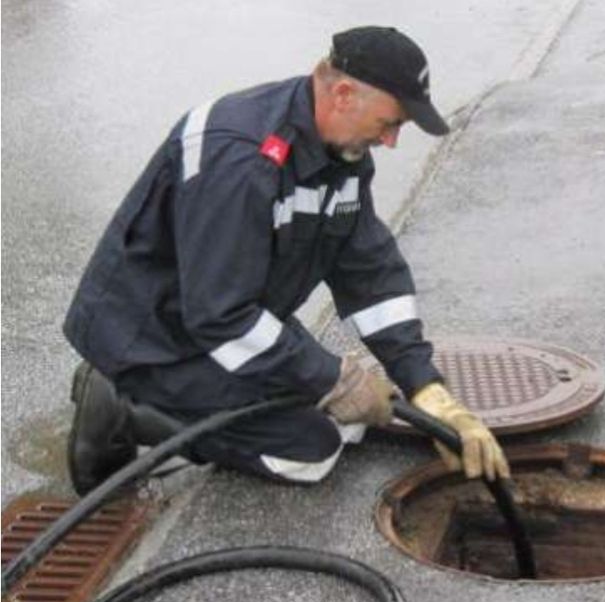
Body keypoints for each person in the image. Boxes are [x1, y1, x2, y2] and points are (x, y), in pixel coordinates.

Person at [62, 26, 510, 495]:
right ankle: (127, 408)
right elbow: (220, 317)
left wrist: (426, 388)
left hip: (223, 318)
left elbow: (370, 273)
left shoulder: (343, 153)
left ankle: (173, 404)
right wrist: (332, 380)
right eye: (391, 123)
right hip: (156, 337)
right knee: (309, 449)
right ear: (341, 94)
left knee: (346, 420)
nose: (392, 140)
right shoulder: (240, 159)